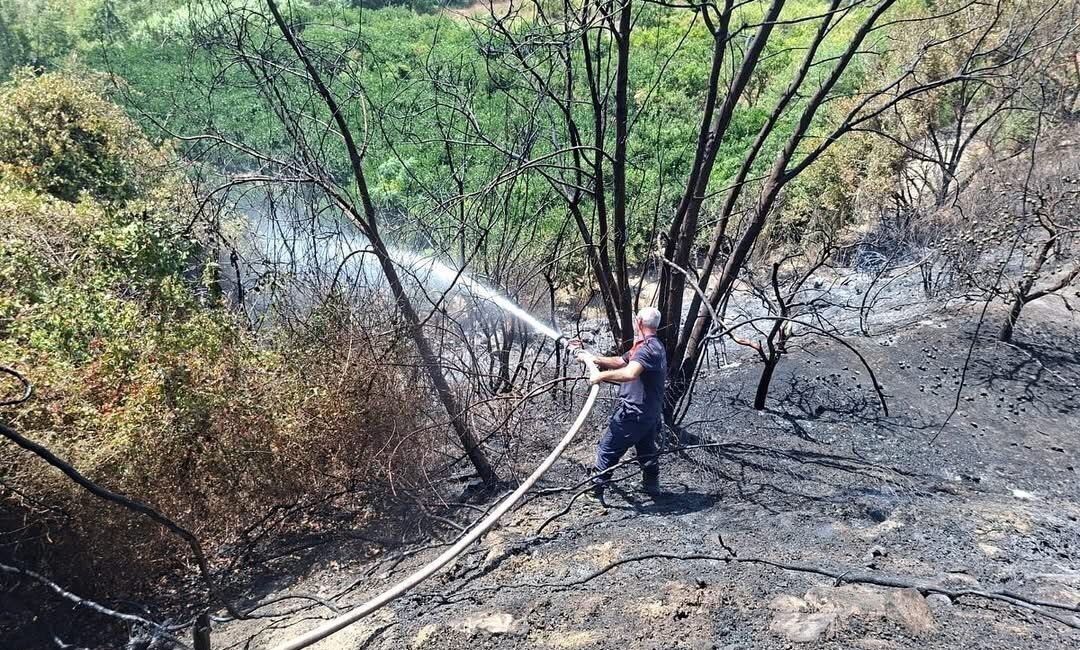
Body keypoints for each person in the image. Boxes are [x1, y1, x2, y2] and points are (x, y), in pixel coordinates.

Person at [573, 306, 667, 501]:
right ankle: (652, 486)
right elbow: (621, 361)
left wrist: (600, 376)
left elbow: (629, 373)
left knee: (607, 448)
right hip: (649, 413)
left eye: (635, 321)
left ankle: (595, 492)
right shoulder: (652, 345)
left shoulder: (646, 349)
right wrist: (592, 358)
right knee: (646, 450)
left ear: (639, 323)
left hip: (633, 413)